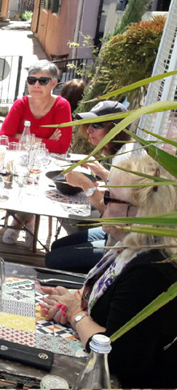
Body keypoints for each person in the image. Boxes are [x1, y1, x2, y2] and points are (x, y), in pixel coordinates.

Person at [41, 155, 177, 387]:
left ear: (138, 211)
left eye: (109, 197)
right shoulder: (132, 250)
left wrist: (76, 313)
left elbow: (113, 355)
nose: (102, 204)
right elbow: (112, 306)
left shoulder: (149, 271)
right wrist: (78, 299)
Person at [46, 100, 142, 273]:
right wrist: (101, 171)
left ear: (115, 128)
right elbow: (119, 189)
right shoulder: (127, 149)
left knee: (52, 259)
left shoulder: (125, 160)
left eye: (97, 125)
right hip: (118, 234)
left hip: (125, 244)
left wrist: (85, 184)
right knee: (57, 245)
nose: (89, 130)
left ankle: (87, 291)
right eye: (89, 124)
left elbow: (111, 216)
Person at [0, 60, 73, 244]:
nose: (36, 85)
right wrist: (46, 141)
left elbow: (62, 146)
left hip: (48, 164)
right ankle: (27, 219)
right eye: (32, 80)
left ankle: (18, 222)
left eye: (43, 81)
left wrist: (24, 138)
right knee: (14, 177)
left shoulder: (62, 106)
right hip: (20, 160)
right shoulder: (21, 104)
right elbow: (4, 138)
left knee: (36, 182)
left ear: (54, 83)